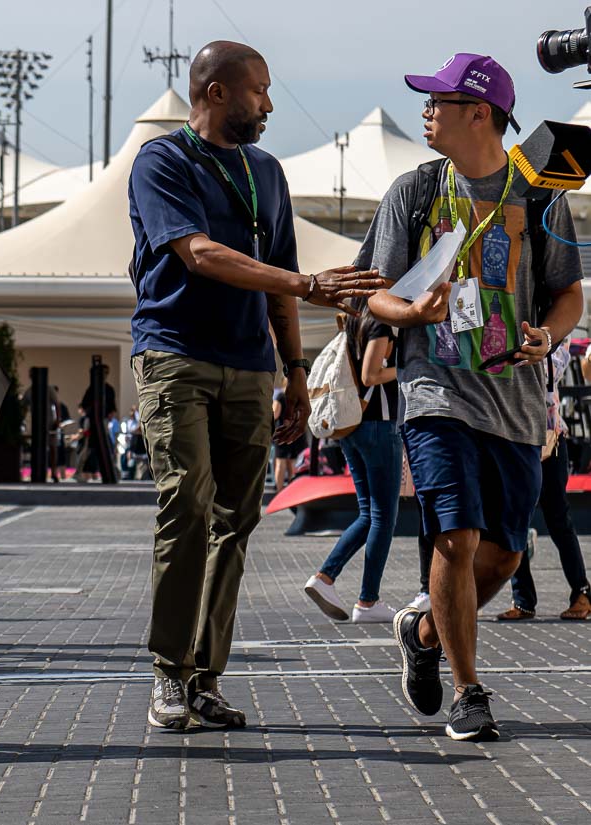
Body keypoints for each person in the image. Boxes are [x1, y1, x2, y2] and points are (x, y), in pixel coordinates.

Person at [127, 40, 382, 731]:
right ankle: (168, 668)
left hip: (250, 365)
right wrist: (304, 282)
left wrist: (296, 371)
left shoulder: (266, 171)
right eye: (259, 90)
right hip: (174, 354)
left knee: (236, 520)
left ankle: (204, 676)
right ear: (216, 92)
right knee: (187, 502)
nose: (269, 104)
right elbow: (199, 253)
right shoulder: (162, 161)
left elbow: (281, 284)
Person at [366, 53, 584, 742]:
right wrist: (409, 315)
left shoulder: (540, 195)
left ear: (480, 113)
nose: (426, 110)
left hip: (515, 401)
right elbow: (376, 291)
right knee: (456, 537)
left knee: (505, 556)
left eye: (439, 100)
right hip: (436, 391)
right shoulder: (414, 190)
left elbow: (568, 293)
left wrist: (547, 336)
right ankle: (469, 691)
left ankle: (424, 631)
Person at [304, 299, 403, 624]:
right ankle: (368, 600)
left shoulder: (353, 321)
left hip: (352, 426)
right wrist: (407, 368)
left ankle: (325, 578)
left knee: (368, 514)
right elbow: (371, 375)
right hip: (378, 424)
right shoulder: (379, 322)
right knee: (383, 516)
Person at [496, 345, 591, 621]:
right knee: (514, 518)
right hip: (513, 433)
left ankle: (581, 592)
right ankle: (523, 599)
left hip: (549, 436)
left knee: (558, 516)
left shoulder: (554, 334)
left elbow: (552, 370)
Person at [271, 382, 303, 489]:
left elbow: (275, 414)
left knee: (281, 462)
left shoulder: (281, 396)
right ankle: (292, 491)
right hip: (295, 432)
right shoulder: (299, 396)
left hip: (282, 433)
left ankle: (279, 492)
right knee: (293, 463)